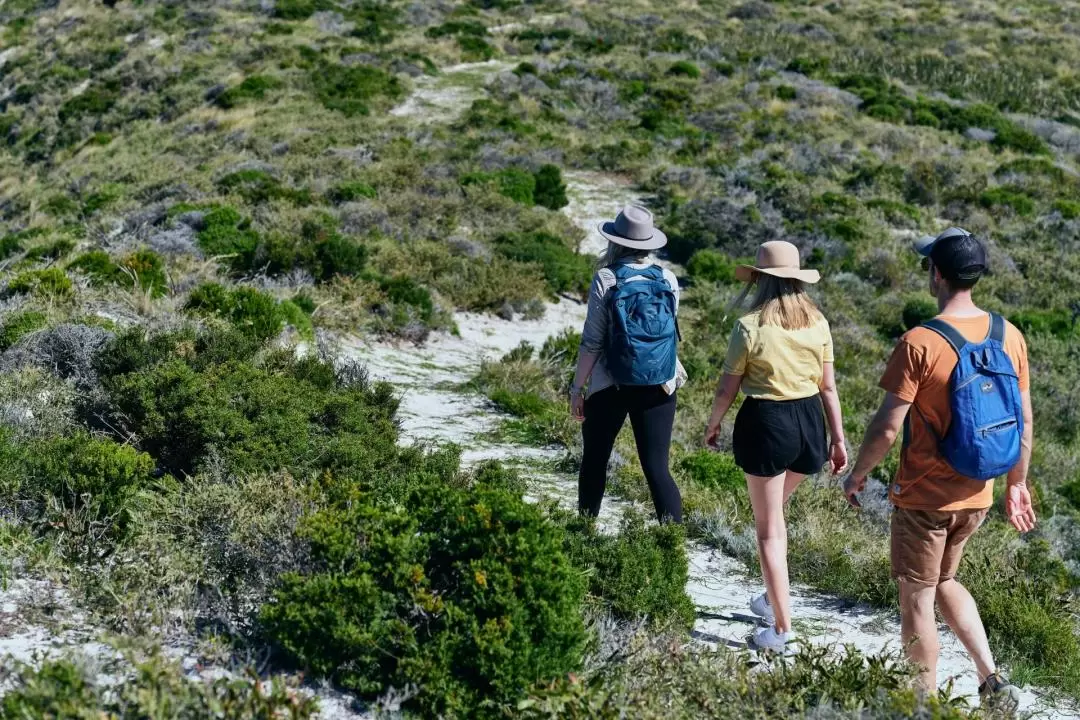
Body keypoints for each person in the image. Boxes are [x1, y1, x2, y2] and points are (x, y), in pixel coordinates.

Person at [843, 227, 1035, 713]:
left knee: (916, 599)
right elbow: (1024, 417)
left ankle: (922, 703)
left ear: (937, 274)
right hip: (978, 493)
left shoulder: (920, 342)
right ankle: (992, 680)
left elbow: (887, 427)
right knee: (945, 581)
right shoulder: (1009, 334)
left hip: (925, 498)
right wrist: (1018, 483)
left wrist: (858, 474)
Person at [704, 240, 847, 653]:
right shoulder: (817, 322)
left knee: (769, 531)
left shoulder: (750, 326)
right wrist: (837, 440)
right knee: (776, 517)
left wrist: (713, 425)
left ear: (760, 279)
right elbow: (829, 387)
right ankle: (771, 597)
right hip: (809, 425)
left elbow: (726, 388)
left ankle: (782, 629)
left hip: (766, 422)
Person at [570, 204, 686, 523]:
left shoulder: (606, 278)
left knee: (595, 459)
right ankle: (673, 544)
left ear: (615, 241)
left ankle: (584, 532)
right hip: (661, 381)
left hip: (611, 382)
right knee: (657, 468)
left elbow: (592, 342)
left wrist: (577, 388)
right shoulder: (668, 277)